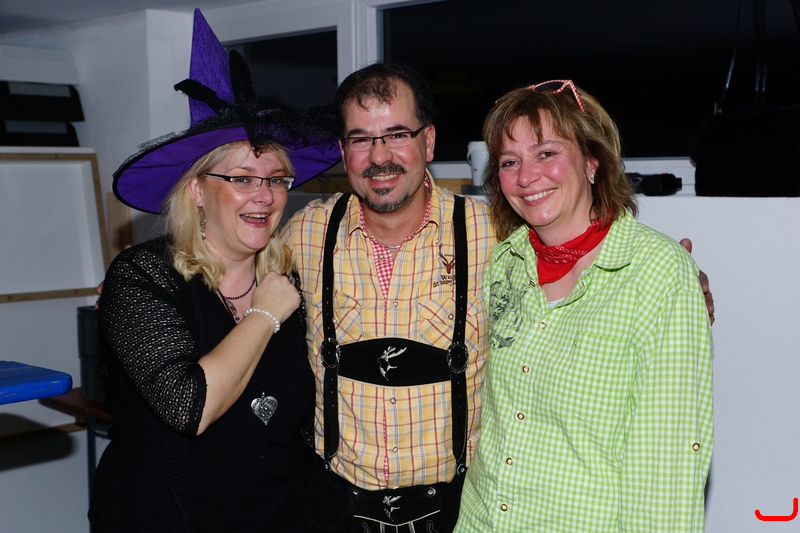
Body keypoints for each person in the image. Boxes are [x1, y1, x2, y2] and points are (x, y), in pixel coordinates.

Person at [88, 10, 339, 533]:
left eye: (276, 179)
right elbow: (190, 407)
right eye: (242, 178)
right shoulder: (143, 276)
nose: (265, 196)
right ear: (198, 190)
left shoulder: (292, 279)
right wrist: (265, 315)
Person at [454, 80, 713, 532]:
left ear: (593, 161)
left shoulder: (657, 272)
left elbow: (667, 459)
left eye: (546, 153)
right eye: (509, 161)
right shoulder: (504, 262)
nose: (526, 177)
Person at [282, 63, 495, 532]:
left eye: (397, 134)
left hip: (459, 511)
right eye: (361, 139)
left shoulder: (489, 234)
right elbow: (231, 281)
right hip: (334, 509)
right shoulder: (305, 234)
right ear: (343, 152)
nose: (379, 157)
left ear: (429, 142)